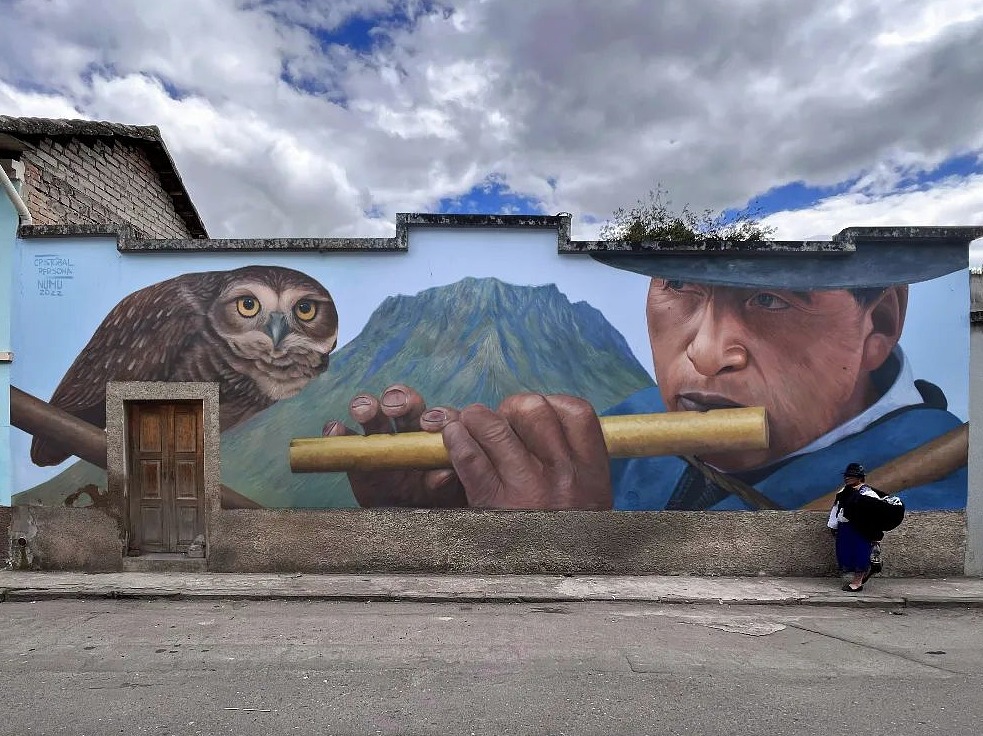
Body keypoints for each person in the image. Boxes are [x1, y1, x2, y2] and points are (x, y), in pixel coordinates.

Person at [323, 230, 972, 511]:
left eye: (770, 300)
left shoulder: (945, 494)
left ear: (878, 327)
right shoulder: (632, 418)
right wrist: (446, 520)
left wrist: (564, 555)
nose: (705, 352)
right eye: (678, 288)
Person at [827, 462, 881, 592]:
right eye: (847, 475)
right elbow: (837, 508)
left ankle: (857, 583)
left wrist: (875, 534)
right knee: (846, 553)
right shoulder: (844, 492)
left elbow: (875, 515)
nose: (847, 478)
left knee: (860, 553)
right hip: (844, 528)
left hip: (860, 529)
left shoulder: (868, 494)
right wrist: (833, 525)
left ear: (860, 477)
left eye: (851, 476)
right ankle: (857, 579)